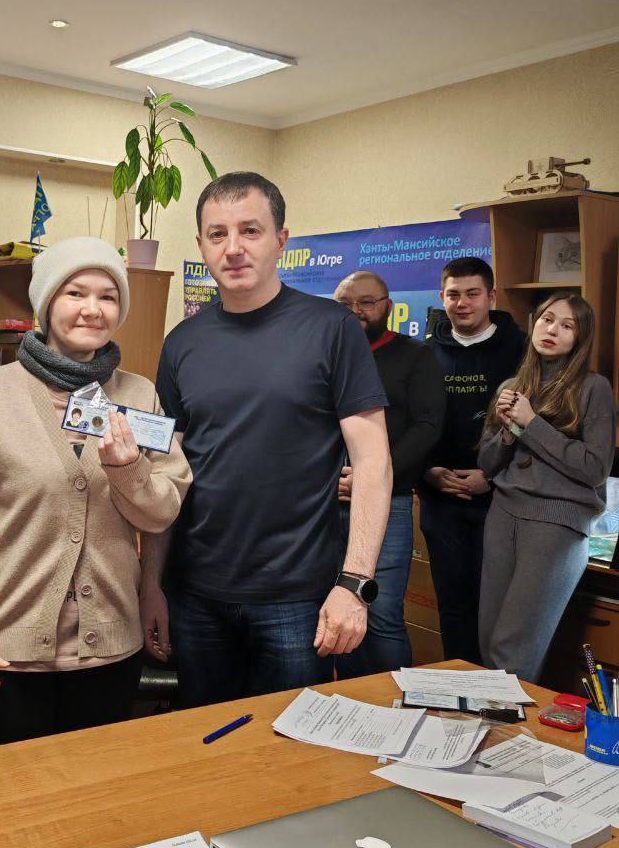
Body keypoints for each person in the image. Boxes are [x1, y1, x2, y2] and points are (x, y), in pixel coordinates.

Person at [0, 237, 191, 748]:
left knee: (92, 788)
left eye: (108, 297)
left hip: (109, 649)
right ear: (46, 303)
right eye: (75, 293)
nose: (93, 309)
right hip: (6, 648)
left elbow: (162, 511)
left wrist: (128, 470)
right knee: (9, 788)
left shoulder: (140, 395)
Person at [143, 172, 392, 708]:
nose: (233, 248)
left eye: (250, 230)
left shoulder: (332, 328)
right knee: (204, 739)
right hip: (196, 594)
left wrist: (354, 584)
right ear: (202, 245)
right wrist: (152, 584)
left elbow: (374, 461)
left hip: (297, 598)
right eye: (217, 234)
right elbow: (166, 468)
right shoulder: (181, 343)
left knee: (288, 747)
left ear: (281, 240)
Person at [478, 293, 615, 681]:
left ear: (580, 337)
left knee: (513, 651)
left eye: (567, 325)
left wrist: (531, 423)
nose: (552, 329)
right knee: (488, 640)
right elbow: (487, 464)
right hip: (503, 515)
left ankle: (509, 722)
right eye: (547, 319)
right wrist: (508, 430)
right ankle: (497, 719)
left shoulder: (593, 388)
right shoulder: (512, 386)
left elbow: (595, 468)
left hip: (556, 525)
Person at [333, 270, 445, 675]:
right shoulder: (328, 356)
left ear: (388, 307)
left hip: (389, 503)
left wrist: (373, 478)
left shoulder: (415, 356)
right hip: (326, 504)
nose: (356, 311)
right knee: (334, 613)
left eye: (366, 302)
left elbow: (427, 426)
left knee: (379, 615)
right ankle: (347, 699)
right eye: (345, 304)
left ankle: (391, 703)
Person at [419, 257, 525, 663]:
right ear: (441, 297)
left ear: (491, 296)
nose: (462, 303)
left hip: (501, 500)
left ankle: (491, 690)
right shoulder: (425, 353)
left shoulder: (521, 351)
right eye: (453, 294)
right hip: (440, 499)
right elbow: (413, 422)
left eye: (472, 294)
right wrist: (428, 472)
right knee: (452, 603)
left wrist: (491, 476)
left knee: (495, 606)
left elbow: (535, 426)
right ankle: (458, 683)